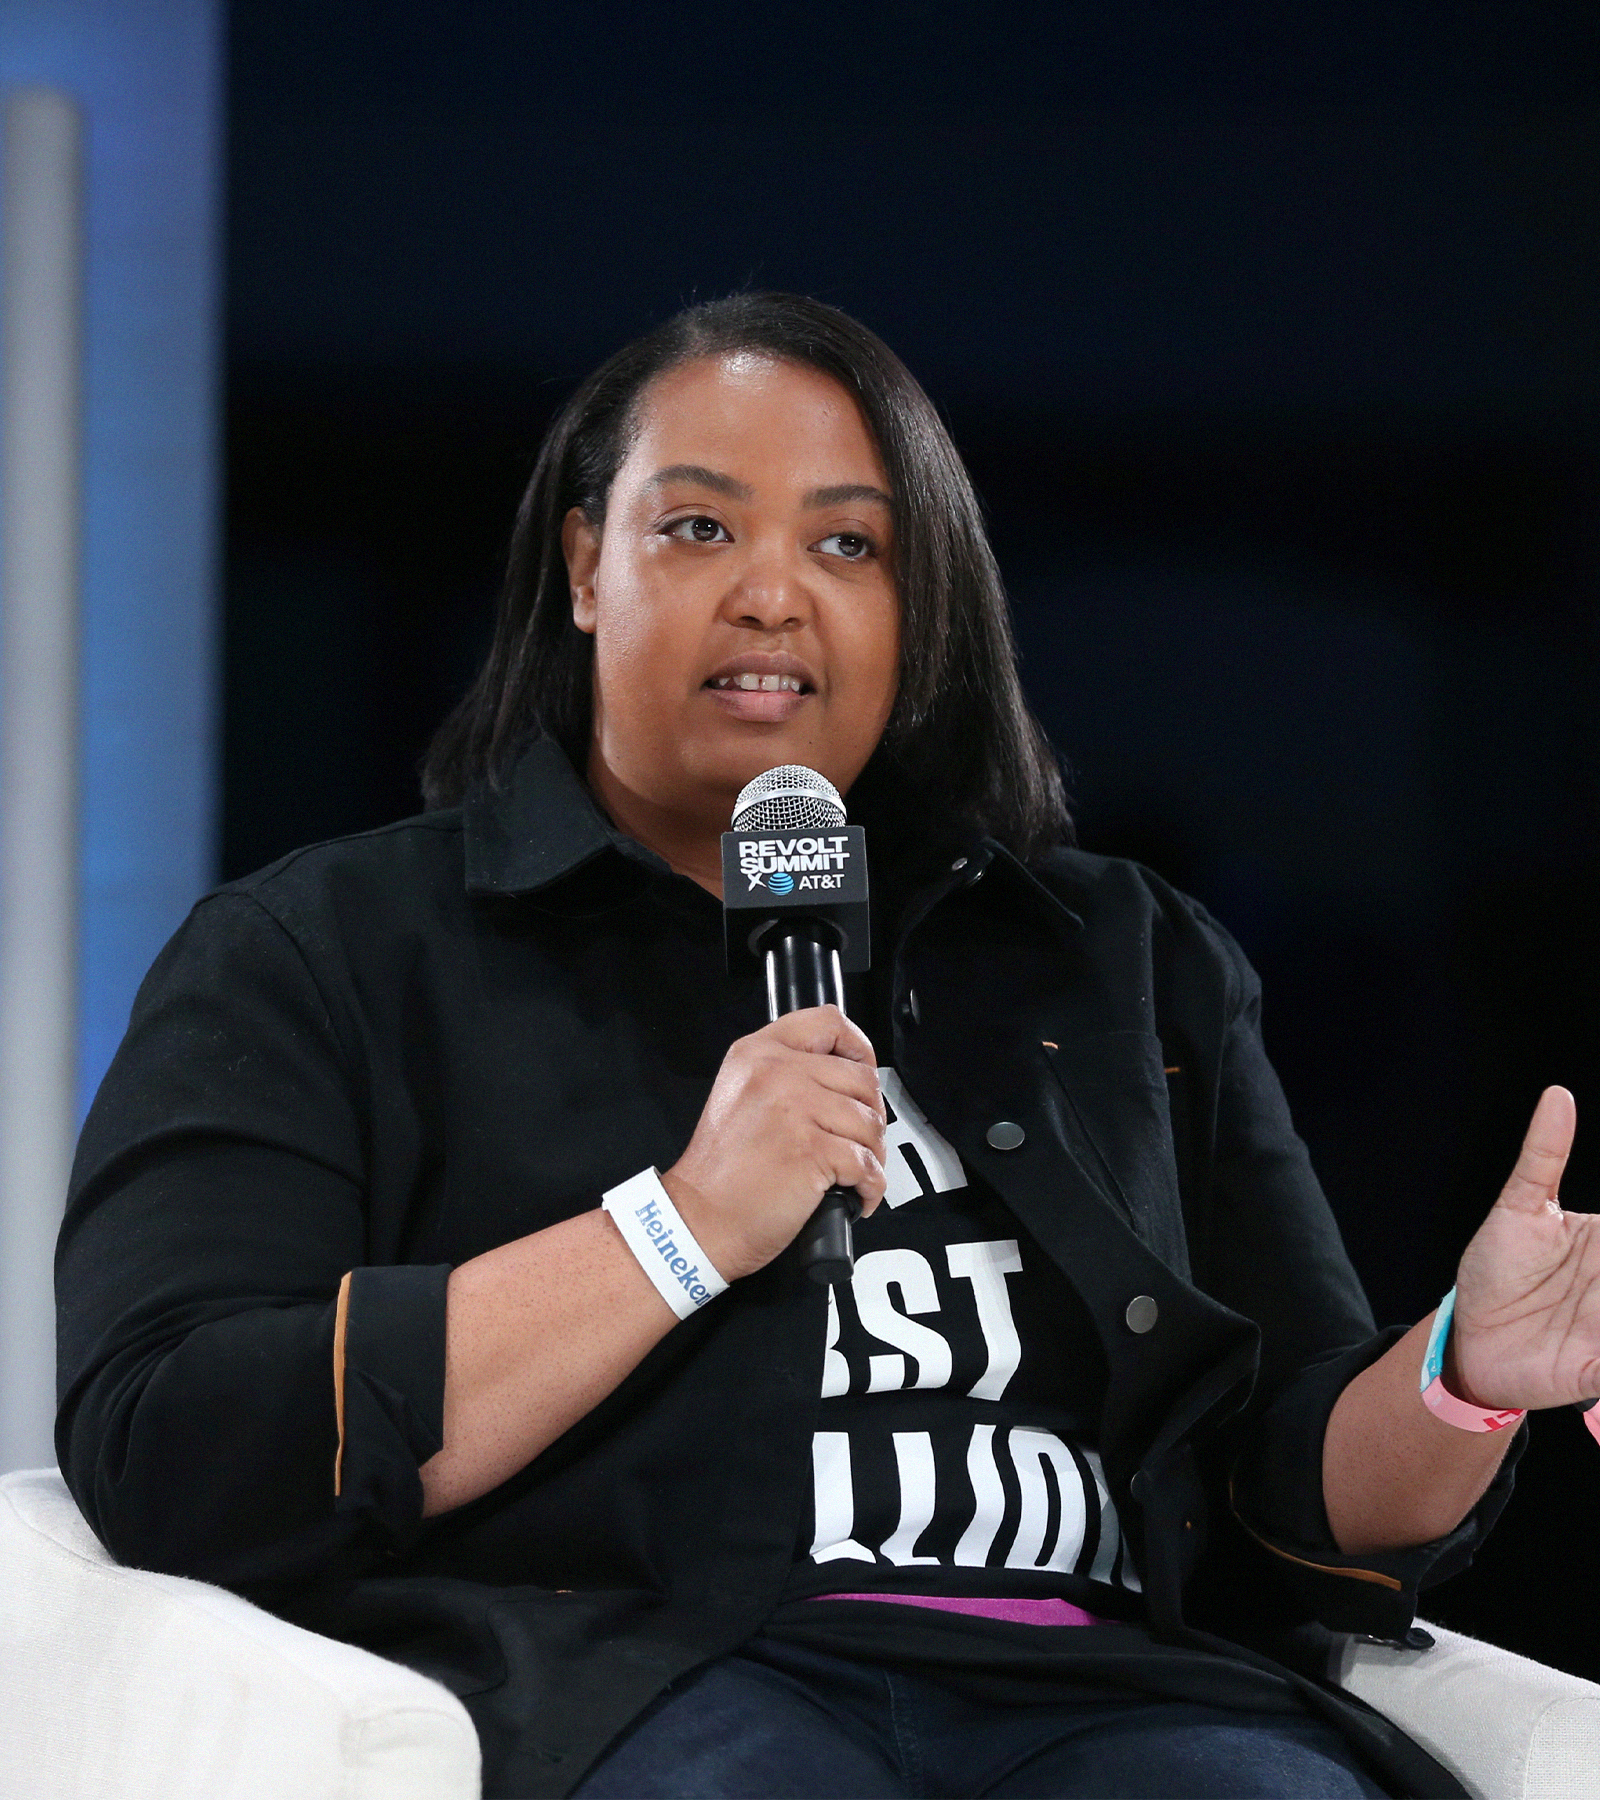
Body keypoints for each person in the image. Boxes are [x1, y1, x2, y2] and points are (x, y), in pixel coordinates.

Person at [55, 294, 1598, 1800]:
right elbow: (173, 1441)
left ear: (917, 608)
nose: (775, 594)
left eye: (849, 544)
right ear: (587, 563)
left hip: (1111, 1698)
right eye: (700, 528)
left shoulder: (1119, 958)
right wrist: (676, 1231)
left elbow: (1289, 1491)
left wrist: (1469, 1374)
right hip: (650, 1691)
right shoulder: (324, 952)